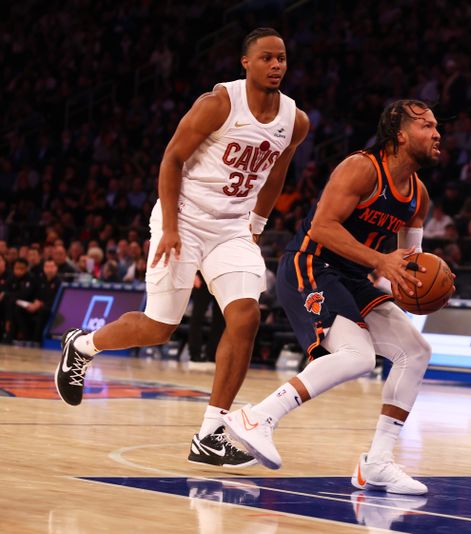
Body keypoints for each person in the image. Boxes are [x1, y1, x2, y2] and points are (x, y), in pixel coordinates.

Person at [55, 27, 310, 468]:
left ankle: (212, 431)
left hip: (232, 228)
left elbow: (275, 175)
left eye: (282, 58)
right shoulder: (218, 104)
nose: (276, 65)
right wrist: (170, 227)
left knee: (245, 316)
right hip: (184, 219)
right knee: (159, 326)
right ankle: (83, 345)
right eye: (267, 58)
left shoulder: (296, 120)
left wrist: (256, 225)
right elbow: (172, 158)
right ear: (245, 63)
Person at [222, 100, 449, 496]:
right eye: (426, 126)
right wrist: (382, 260)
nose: (437, 133)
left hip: (352, 275)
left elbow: (409, 263)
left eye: (436, 126)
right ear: (400, 134)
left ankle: (377, 462)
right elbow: (324, 227)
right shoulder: (361, 168)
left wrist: (417, 284)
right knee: (357, 355)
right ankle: (258, 417)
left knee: (415, 351)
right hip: (309, 263)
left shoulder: (419, 197)